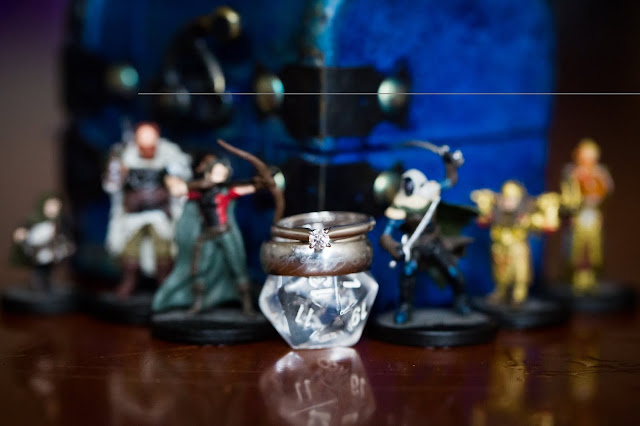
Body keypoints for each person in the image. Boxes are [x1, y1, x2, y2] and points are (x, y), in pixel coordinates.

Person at [103, 122, 192, 298]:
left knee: (164, 250)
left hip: (159, 213)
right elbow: (113, 184)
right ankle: (129, 281)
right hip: (134, 215)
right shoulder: (126, 157)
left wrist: (171, 186)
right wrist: (117, 170)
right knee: (130, 250)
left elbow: (179, 179)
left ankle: (165, 284)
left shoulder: (168, 157)